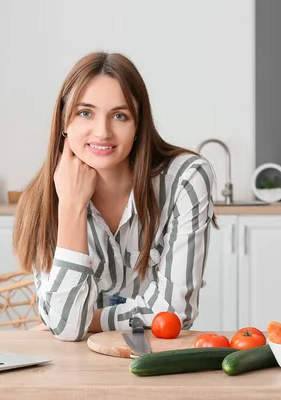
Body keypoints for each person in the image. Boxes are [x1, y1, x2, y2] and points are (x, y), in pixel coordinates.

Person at [13, 51, 217, 342]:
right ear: (63, 123)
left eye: (119, 116)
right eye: (85, 113)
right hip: (77, 368)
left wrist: (89, 320)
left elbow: (174, 312)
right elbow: (68, 329)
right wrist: (72, 207)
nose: (102, 131)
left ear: (137, 126)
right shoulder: (40, 199)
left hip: (156, 361)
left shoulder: (185, 179)